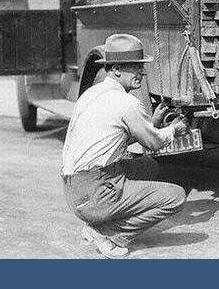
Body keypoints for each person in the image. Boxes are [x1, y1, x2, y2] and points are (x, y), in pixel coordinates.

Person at [61, 33, 188, 258]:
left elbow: (116, 136)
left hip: (75, 189)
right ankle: (109, 233)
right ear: (117, 68)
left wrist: (153, 122)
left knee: (148, 166)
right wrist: (173, 130)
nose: (142, 72)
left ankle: (99, 220)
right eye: (136, 66)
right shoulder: (127, 102)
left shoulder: (93, 94)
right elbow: (154, 143)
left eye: (141, 66)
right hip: (94, 192)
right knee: (176, 197)